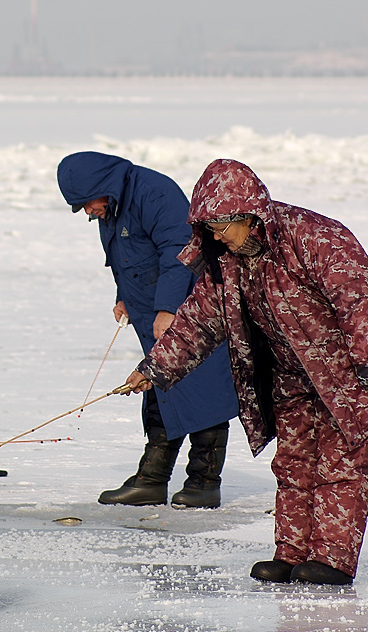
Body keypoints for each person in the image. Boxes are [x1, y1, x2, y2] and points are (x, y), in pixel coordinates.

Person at [125, 159, 368, 584]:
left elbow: (360, 301)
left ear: (249, 212)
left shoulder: (317, 238)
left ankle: (332, 559)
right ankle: (291, 553)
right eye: (209, 229)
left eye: (223, 227)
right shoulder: (227, 259)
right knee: (294, 465)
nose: (218, 237)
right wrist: (154, 368)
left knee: (340, 467)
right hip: (290, 377)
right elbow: (199, 319)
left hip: (349, 377)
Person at [58, 152, 239, 509]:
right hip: (149, 314)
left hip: (189, 310)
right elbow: (126, 256)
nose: (86, 213)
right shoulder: (110, 204)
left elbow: (179, 251)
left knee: (203, 392)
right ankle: (153, 480)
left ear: (100, 188)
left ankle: (204, 483)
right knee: (159, 390)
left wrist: (168, 308)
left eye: (84, 205)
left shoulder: (154, 193)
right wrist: (123, 296)